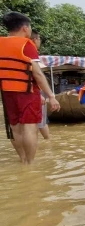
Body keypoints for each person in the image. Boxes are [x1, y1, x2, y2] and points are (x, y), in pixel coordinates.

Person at [0, 12, 60, 163]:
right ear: (25, 28)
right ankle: (30, 164)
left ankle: (22, 160)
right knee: (29, 127)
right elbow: (38, 74)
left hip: (6, 91)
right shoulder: (27, 45)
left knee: (15, 127)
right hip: (27, 91)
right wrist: (51, 96)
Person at [30, 30, 51, 140]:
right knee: (40, 121)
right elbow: (36, 75)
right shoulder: (30, 50)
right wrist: (49, 96)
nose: (40, 42)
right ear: (35, 40)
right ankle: (48, 143)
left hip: (17, 92)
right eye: (39, 39)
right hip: (34, 93)